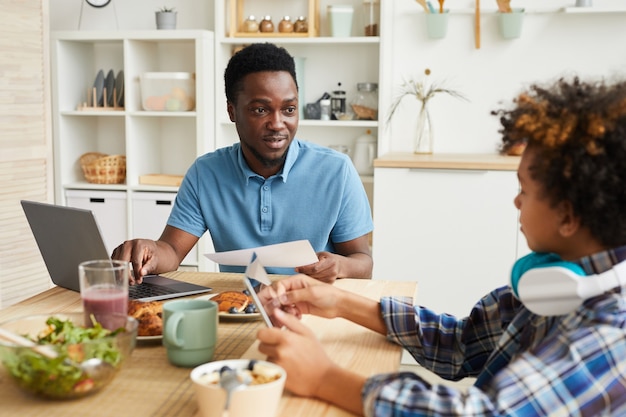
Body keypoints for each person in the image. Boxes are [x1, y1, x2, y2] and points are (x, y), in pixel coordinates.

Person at [255, 77, 626, 416]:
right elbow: (463, 344)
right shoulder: (558, 280)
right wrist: (337, 302)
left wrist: (323, 377)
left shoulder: (612, 333)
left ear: (567, 215)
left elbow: (484, 413)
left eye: (524, 191)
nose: (516, 202)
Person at [112, 43, 373, 284]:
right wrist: (149, 252)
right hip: (241, 307)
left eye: (289, 109)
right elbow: (171, 250)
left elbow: (363, 262)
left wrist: (341, 267)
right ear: (232, 111)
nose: (278, 123)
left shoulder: (336, 170)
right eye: (261, 110)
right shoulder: (206, 173)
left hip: (317, 309)